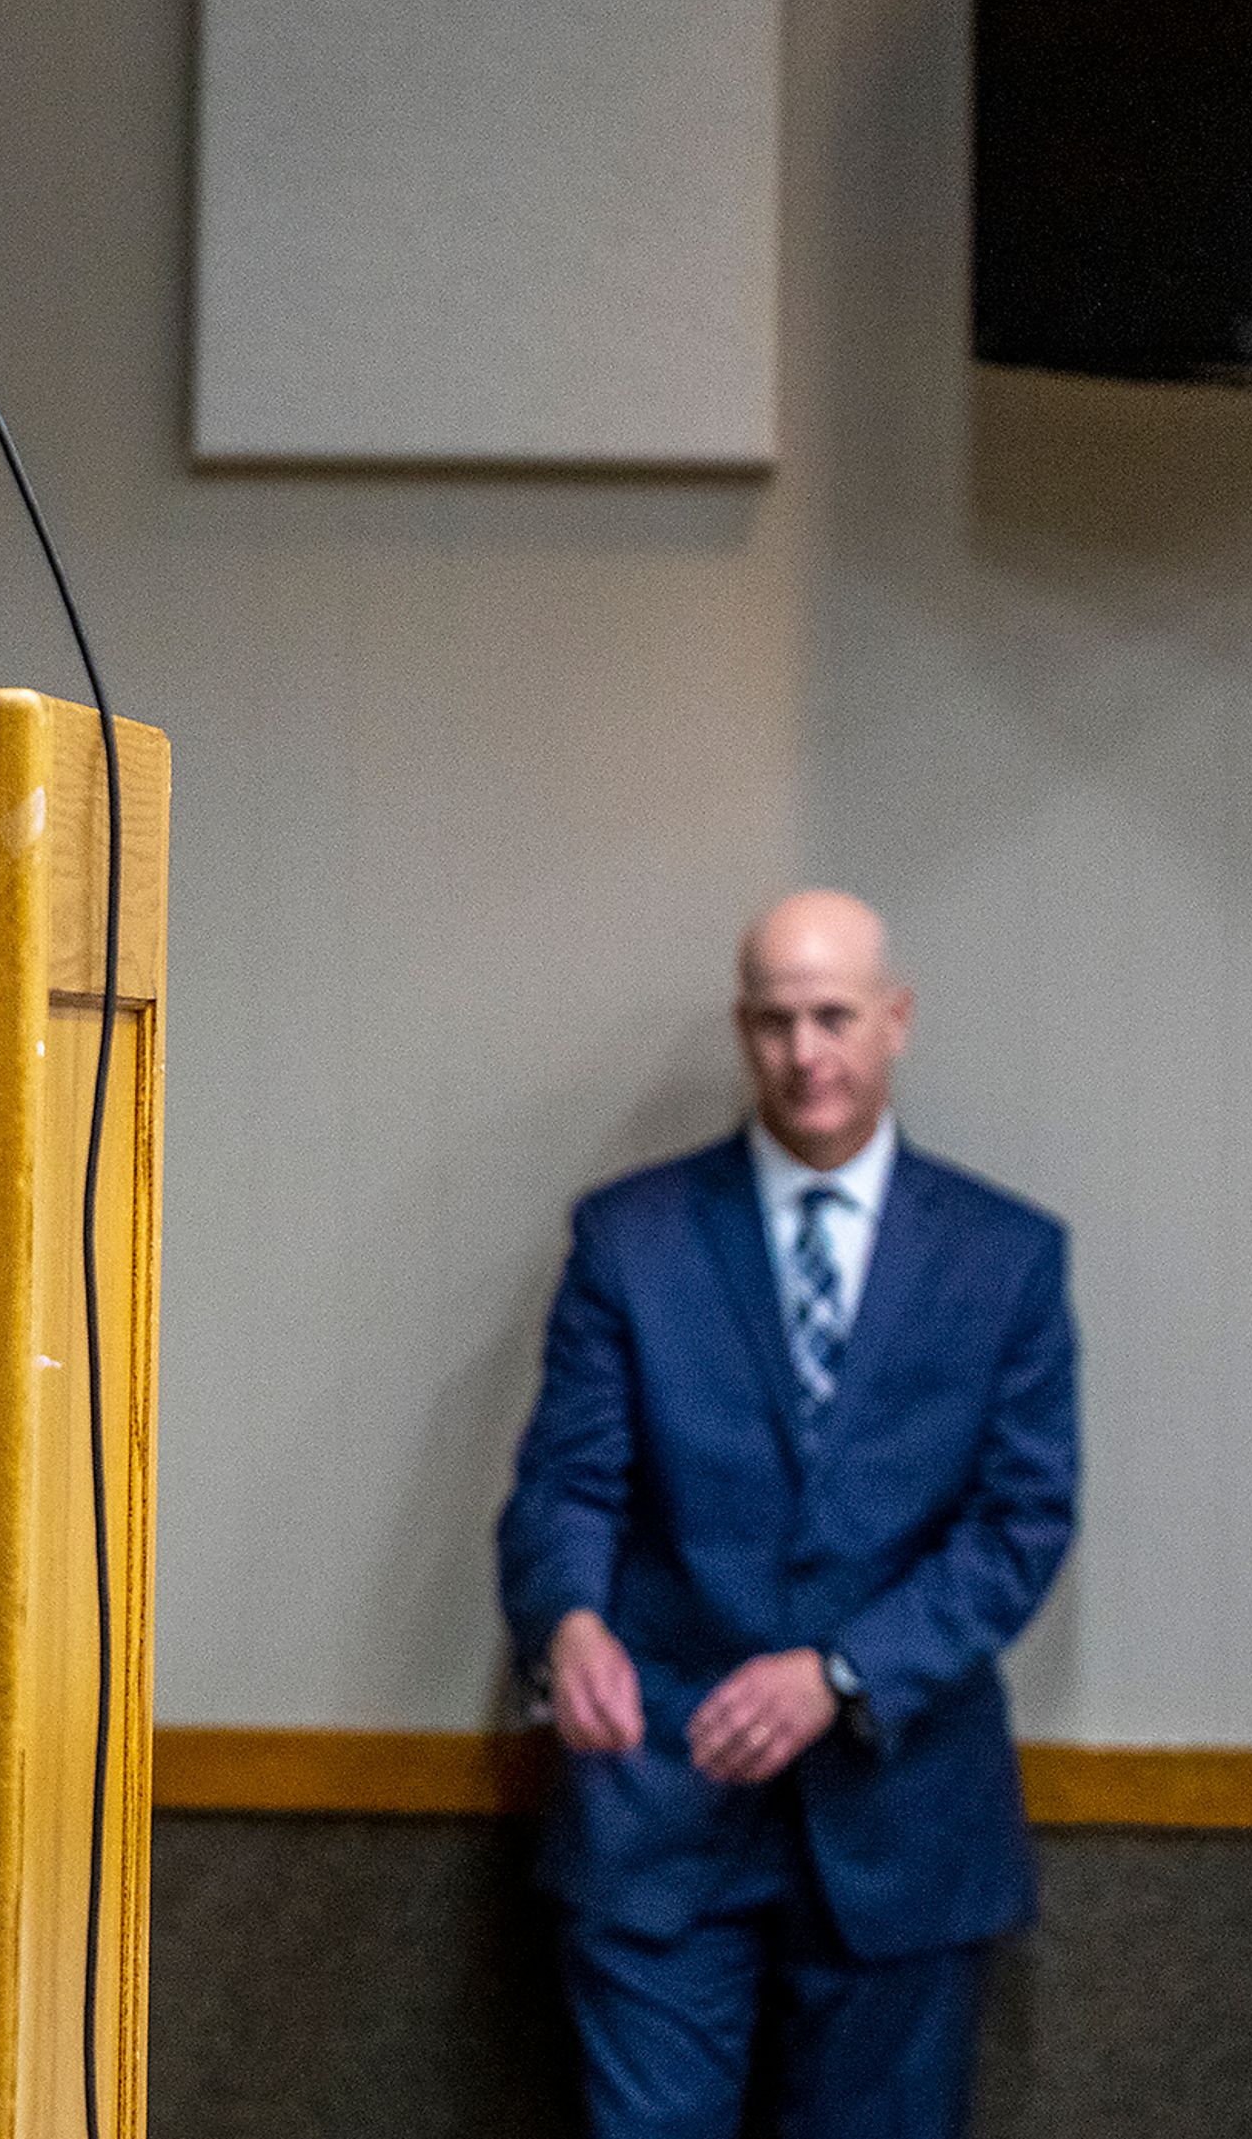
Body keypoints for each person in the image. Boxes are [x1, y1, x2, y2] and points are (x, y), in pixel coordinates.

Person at [495, 891, 1077, 2139]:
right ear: (741, 1030)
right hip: (660, 1805)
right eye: (774, 1021)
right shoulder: (629, 1238)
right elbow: (566, 1483)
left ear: (895, 1020)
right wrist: (571, 1621)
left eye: (834, 1016)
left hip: (904, 1818)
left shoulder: (1007, 1255)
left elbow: (1020, 1523)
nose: (806, 1052)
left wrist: (843, 1671)